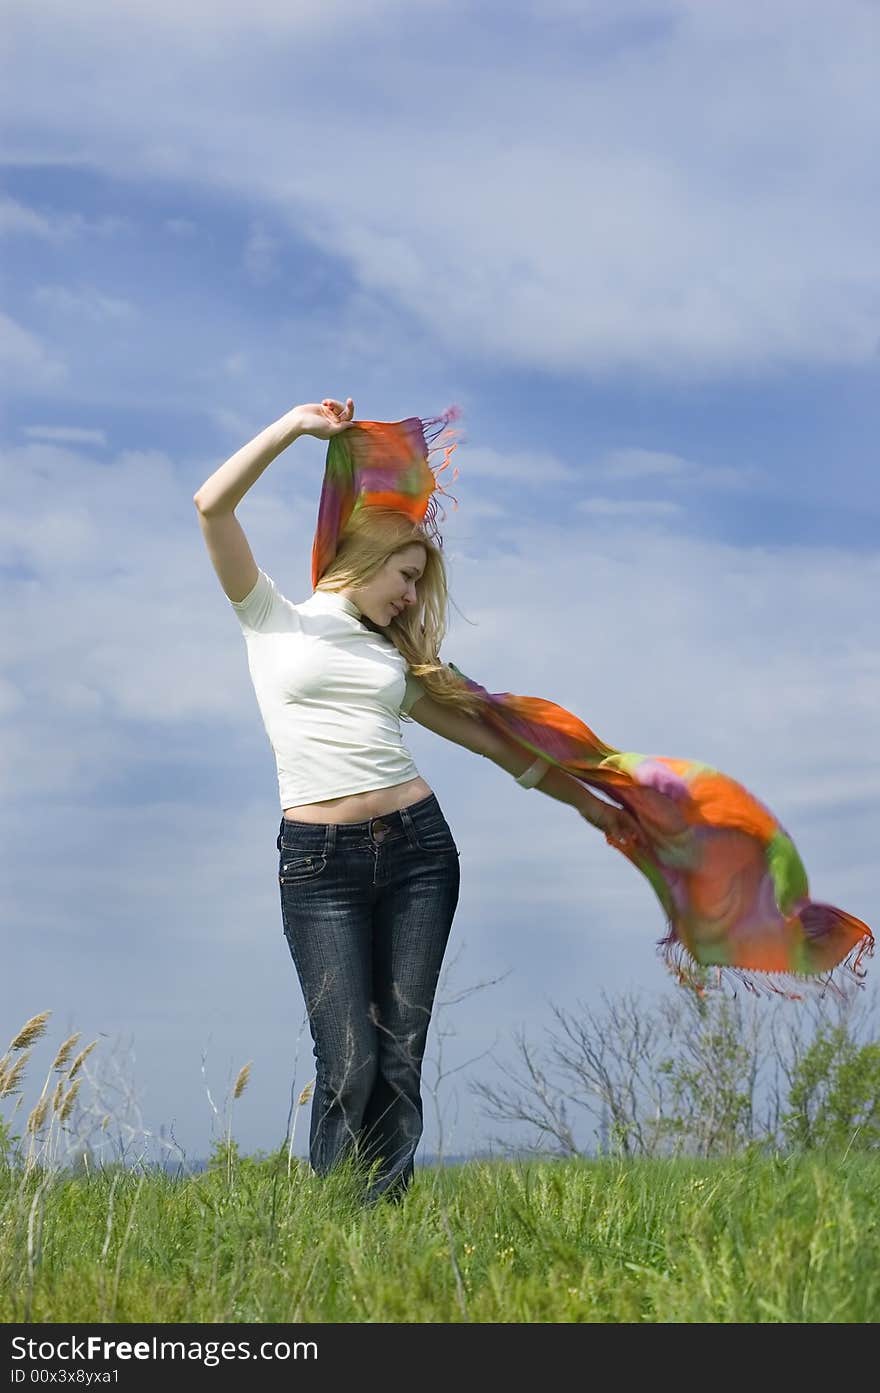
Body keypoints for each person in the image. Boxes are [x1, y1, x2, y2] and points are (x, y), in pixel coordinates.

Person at [193, 396, 644, 1204]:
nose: (410, 598)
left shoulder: (395, 665)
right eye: (407, 578)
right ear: (368, 557)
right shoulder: (272, 619)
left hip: (417, 854)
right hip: (318, 867)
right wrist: (294, 429)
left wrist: (591, 804)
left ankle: (384, 1226)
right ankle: (334, 1228)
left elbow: (496, 743)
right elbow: (211, 503)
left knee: (399, 1055)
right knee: (348, 1063)